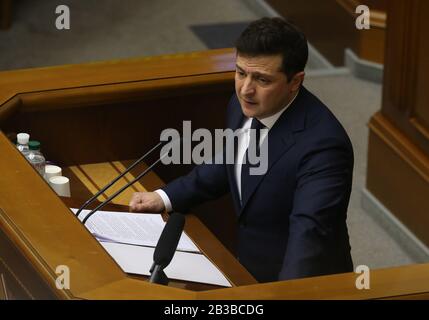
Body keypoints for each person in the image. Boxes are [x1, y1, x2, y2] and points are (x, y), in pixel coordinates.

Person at [129, 17, 354, 282]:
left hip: (298, 283)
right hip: (248, 268)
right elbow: (232, 162)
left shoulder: (324, 147)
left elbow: (308, 235)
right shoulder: (241, 107)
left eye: (262, 79)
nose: (246, 89)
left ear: (295, 81)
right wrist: (166, 196)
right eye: (240, 73)